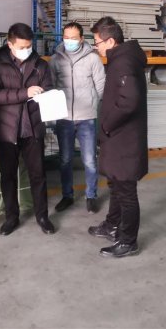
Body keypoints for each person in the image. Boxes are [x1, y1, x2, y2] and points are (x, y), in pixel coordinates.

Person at [0, 23, 56, 236]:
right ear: (10, 44)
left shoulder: (40, 65)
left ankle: (42, 216)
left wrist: (47, 96)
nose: (27, 50)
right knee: (8, 176)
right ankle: (11, 217)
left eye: (29, 46)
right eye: (22, 47)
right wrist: (25, 93)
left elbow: (49, 89)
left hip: (33, 128)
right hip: (7, 129)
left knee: (38, 174)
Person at [87, 16, 148, 258]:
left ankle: (128, 241)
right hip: (118, 138)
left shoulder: (123, 63)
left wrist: (107, 125)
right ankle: (112, 225)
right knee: (115, 184)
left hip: (124, 139)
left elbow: (129, 102)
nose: (97, 47)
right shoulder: (120, 59)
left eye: (98, 43)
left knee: (126, 192)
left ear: (111, 41)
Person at [49, 22, 105, 213]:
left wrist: (92, 105)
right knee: (65, 159)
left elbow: (101, 85)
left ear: (81, 39)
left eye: (73, 38)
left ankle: (91, 196)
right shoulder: (55, 60)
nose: (69, 41)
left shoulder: (93, 59)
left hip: (86, 118)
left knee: (89, 160)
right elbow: (51, 86)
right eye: (66, 37)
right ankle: (67, 195)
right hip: (64, 118)